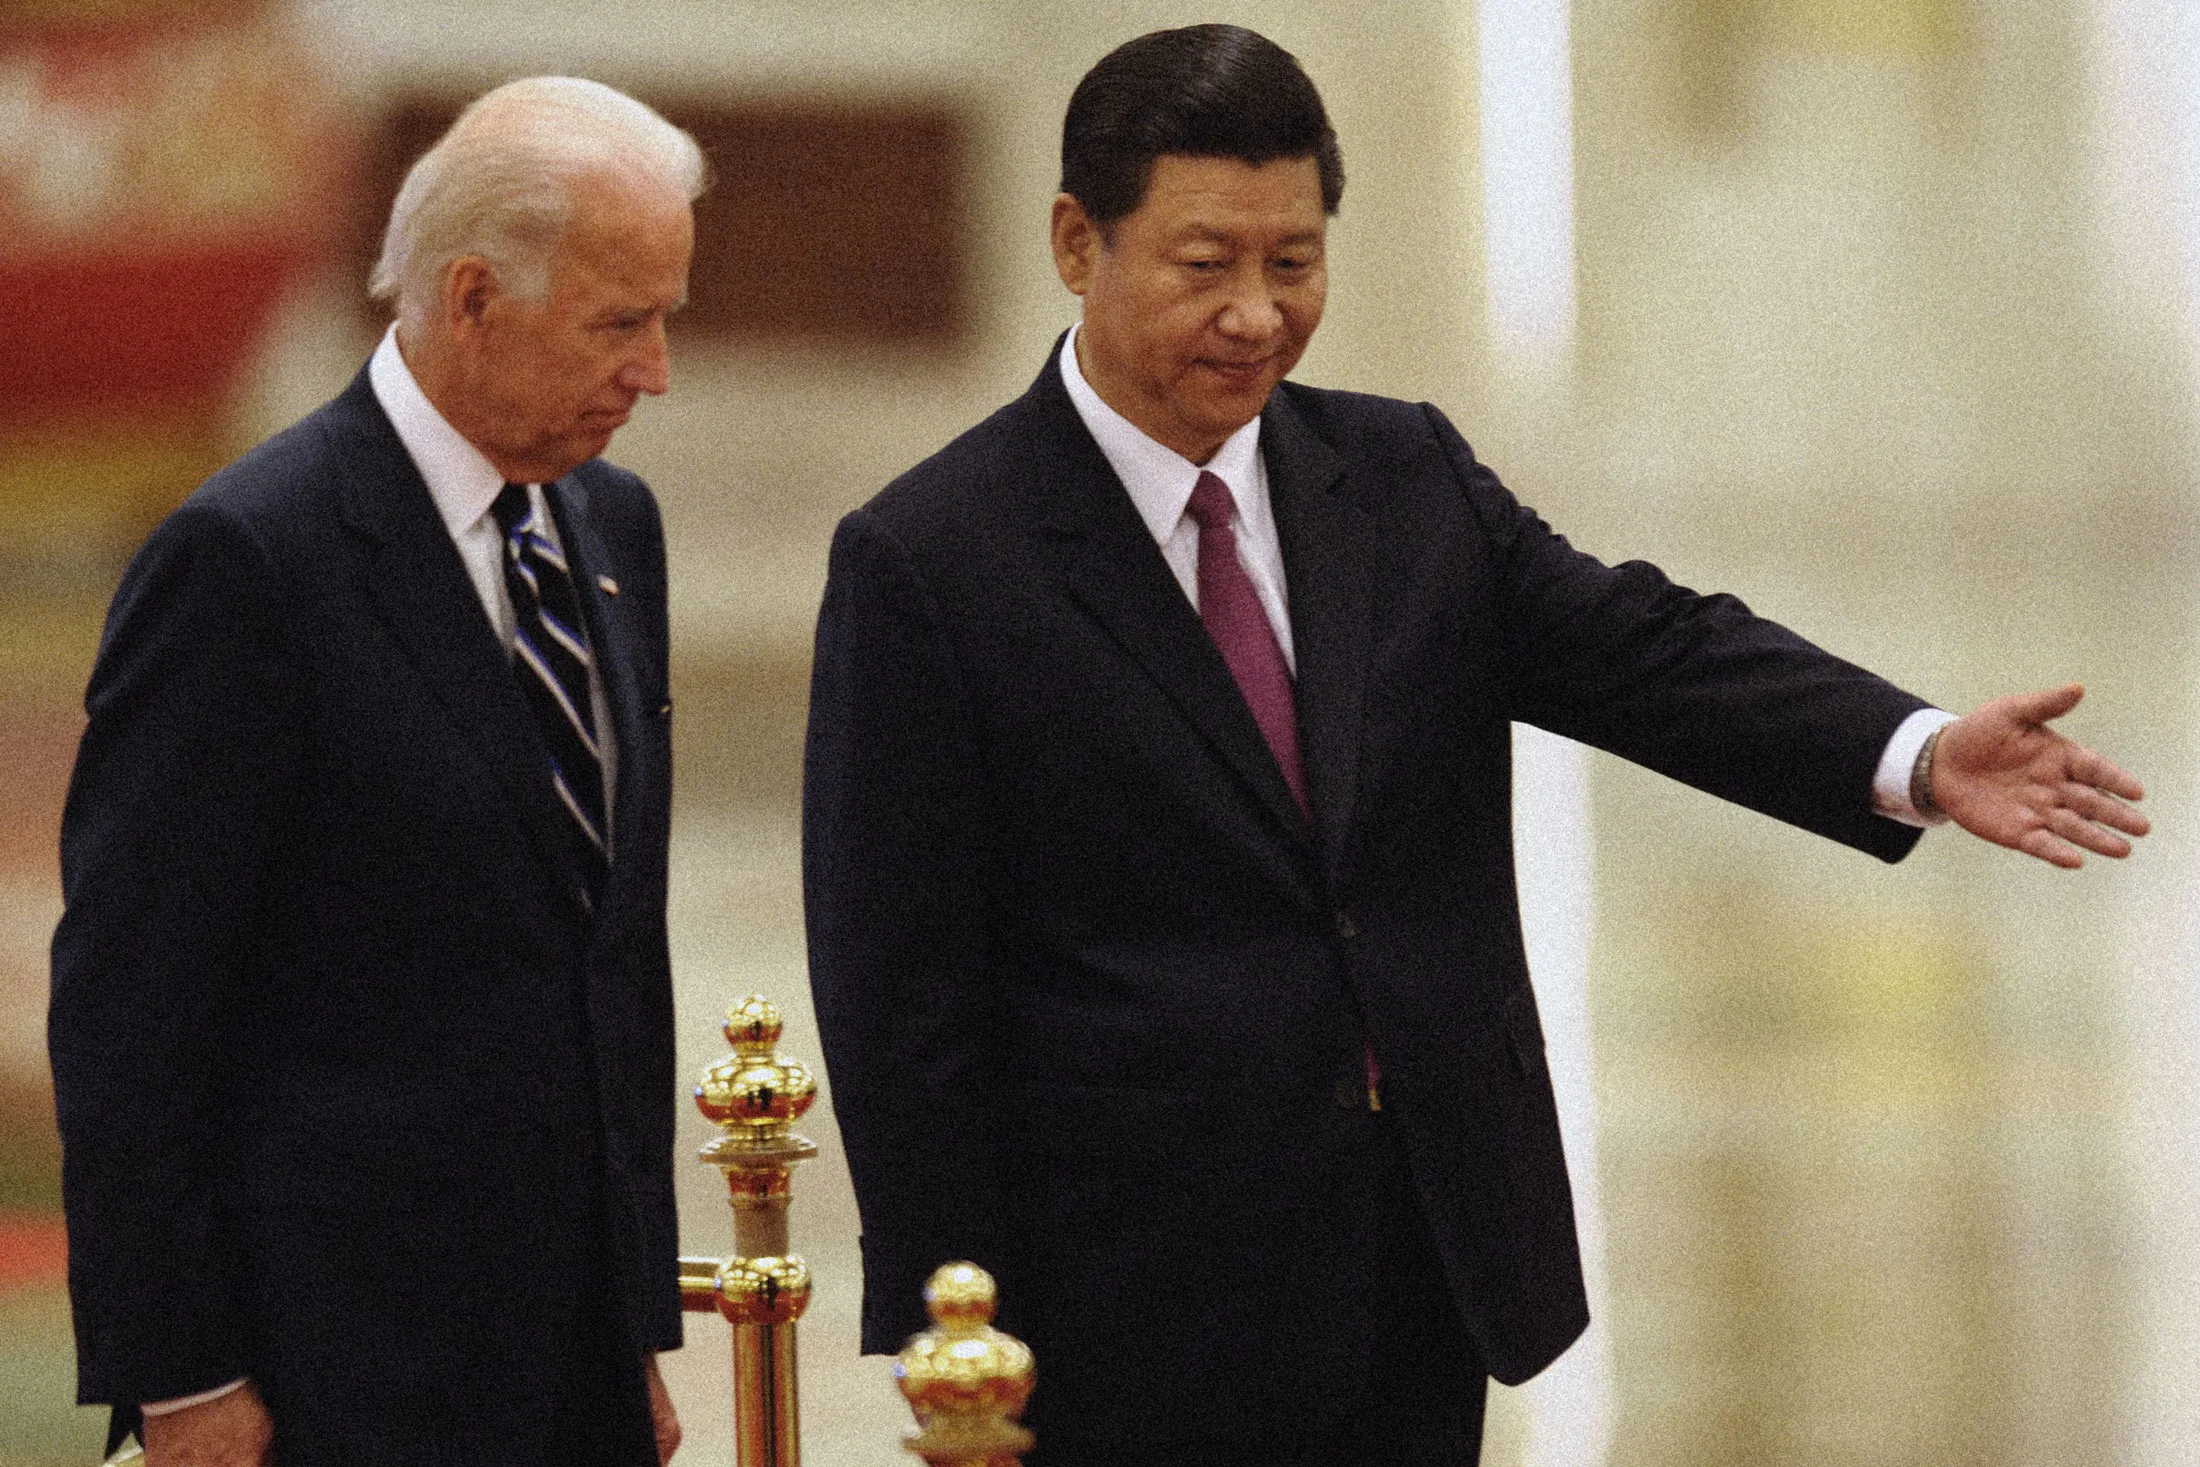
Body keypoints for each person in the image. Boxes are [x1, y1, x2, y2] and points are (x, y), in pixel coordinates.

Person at [800, 24, 2149, 1467]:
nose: (1257, 312)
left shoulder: (1399, 477)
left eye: (1296, 261)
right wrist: (959, 1343)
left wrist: (1914, 748)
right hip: (1122, 1293)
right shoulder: (934, 560)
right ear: (1080, 241)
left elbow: (1647, 647)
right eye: (1207, 265)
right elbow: (897, 989)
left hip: (1419, 1254)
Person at [49, 77, 702, 1467]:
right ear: (471, 299)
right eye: (619, 323)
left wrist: (630, 1322)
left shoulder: (610, 524)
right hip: (335, 1371)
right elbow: (131, 1009)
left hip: (569, 1362)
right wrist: (182, 1375)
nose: (655, 369)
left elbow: (605, 964)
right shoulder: (249, 561)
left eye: (664, 318)